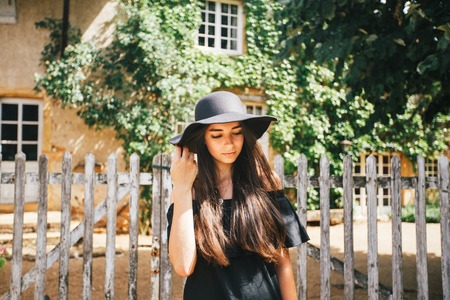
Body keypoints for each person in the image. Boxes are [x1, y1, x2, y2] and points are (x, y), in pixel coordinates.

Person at [167, 91, 309, 300]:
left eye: (236, 132)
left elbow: (282, 262)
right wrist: (181, 187)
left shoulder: (266, 184)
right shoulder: (187, 193)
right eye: (217, 134)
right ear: (203, 140)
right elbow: (183, 266)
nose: (229, 143)